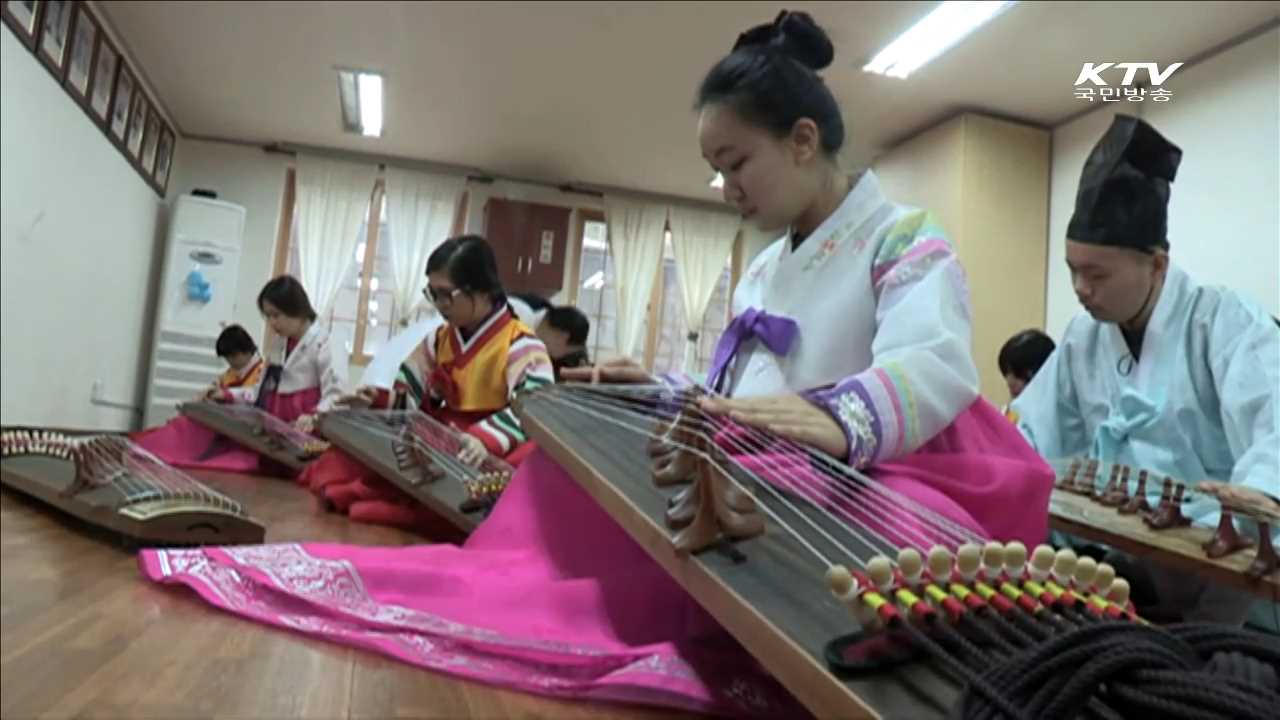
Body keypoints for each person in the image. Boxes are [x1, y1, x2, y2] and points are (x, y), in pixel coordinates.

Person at [138, 12, 1052, 716]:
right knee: (561, 473)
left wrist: (840, 419)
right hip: (773, 454)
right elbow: (745, 396)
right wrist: (659, 387)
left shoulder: (903, 239)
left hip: (864, 464)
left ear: (804, 140)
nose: (728, 190)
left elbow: (934, 368)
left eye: (737, 163)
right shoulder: (771, 264)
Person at [1010, 114, 1279, 625]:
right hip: (1126, 564)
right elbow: (1033, 432)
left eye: (1097, 274)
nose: (1081, 289)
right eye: (1072, 270)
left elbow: (1275, 420)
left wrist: (1258, 488)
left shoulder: (1221, 321)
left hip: (1226, 569)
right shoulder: (1081, 339)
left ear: (1157, 264)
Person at [300, 236, 556, 530]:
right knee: (346, 460)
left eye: (446, 294)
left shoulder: (521, 343)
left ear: (483, 290)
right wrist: (375, 400)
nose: (439, 305)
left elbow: (534, 407)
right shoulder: (440, 339)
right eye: (433, 293)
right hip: (446, 432)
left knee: (524, 470)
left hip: (493, 441)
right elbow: (408, 394)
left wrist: (482, 440)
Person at [134, 280, 346, 474]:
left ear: (297, 310)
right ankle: (142, 448)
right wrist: (225, 395)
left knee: (223, 450)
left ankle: (152, 451)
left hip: (299, 437)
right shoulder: (280, 345)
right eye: (267, 316)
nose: (272, 323)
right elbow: (258, 391)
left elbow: (336, 393)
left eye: (276, 315)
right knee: (199, 422)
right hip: (269, 426)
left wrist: (314, 418)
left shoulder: (327, 341)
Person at [996, 328, 1055, 422]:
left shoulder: (1058, 416)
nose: (1010, 380)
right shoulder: (1010, 415)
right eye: (1006, 372)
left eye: (1018, 372)